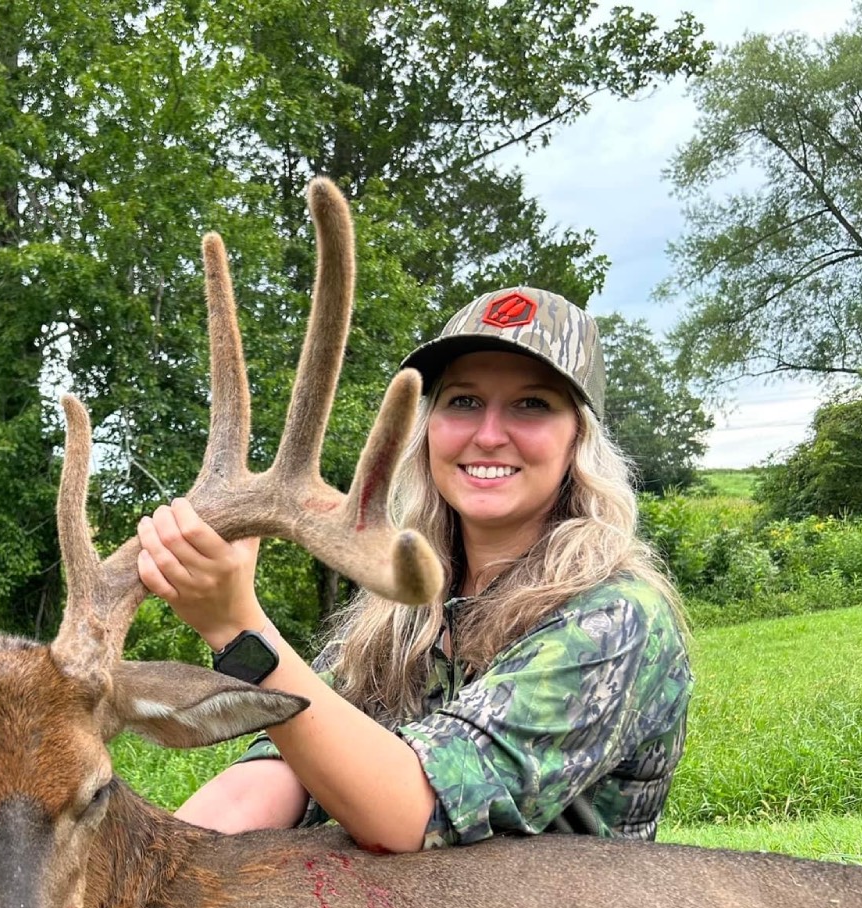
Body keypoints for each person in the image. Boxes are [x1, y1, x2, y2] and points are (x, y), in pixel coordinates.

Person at [135, 287, 692, 854]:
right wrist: (156, 870)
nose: (489, 434)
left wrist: (239, 629)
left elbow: (414, 811)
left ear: (579, 439)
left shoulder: (615, 619)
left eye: (532, 405)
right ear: (428, 428)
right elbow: (294, 761)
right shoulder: (404, 610)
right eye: (464, 402)